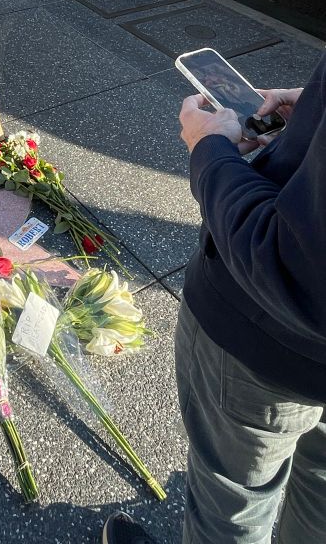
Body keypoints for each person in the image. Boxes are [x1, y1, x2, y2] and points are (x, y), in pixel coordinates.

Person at [102, 54, 326, 544]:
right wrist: (314, 115)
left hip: (266, 346)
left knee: (233, 507)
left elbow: (294, 267)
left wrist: (210, 152)